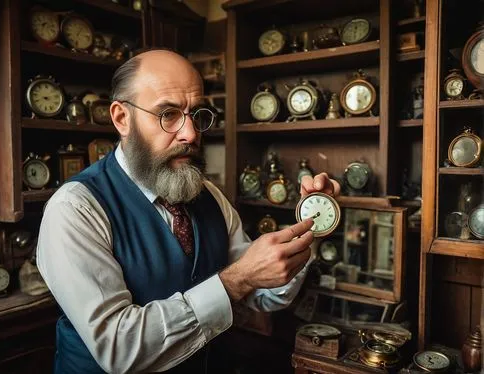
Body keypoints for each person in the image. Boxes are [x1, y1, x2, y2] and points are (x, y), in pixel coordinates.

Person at [36, 49, 341, 374]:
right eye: (168, 114)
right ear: (122, 118)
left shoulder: (208, 196)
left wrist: (312, 222)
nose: (192, 133)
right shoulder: (75, 209)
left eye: (196, 114)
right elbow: (119, 348)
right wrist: (235, 280)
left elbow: (264, 295)